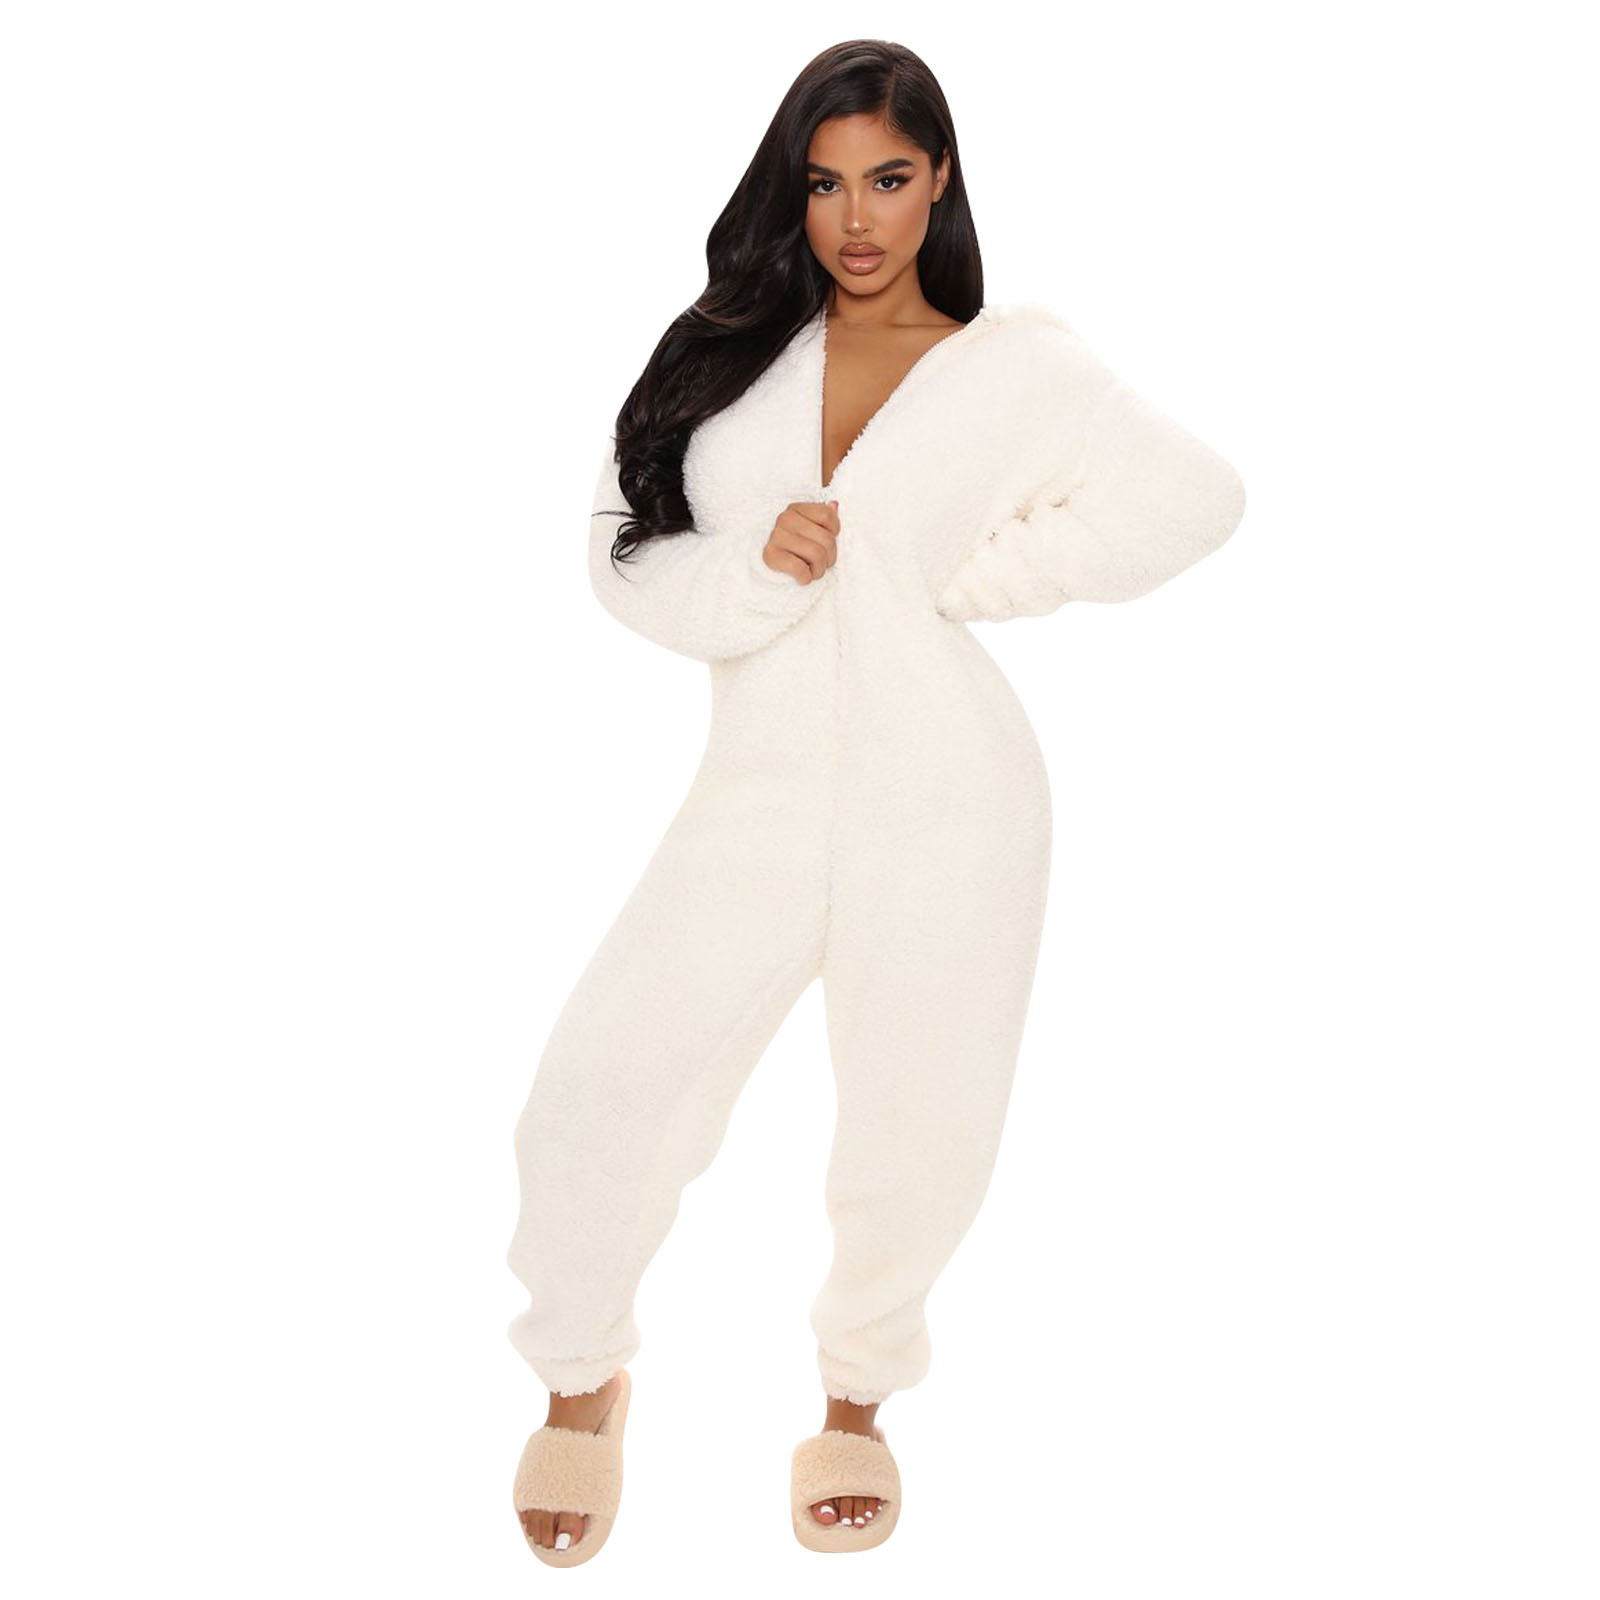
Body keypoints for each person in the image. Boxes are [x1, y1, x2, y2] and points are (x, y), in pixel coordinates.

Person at [506, 38, 1247, 1564]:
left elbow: (1197, 496)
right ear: (792, 189)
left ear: (940, 180)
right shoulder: (729, 354)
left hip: (951, 794)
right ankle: (584, 1375)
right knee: (605, 1078)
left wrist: (971, 581)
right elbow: (619, 548)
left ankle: (856, 1397)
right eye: (827, 182)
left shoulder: (1019, 369)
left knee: (923, 1112)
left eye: (890, 179)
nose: (858, 218)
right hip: (759, 787)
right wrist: (751, 568)